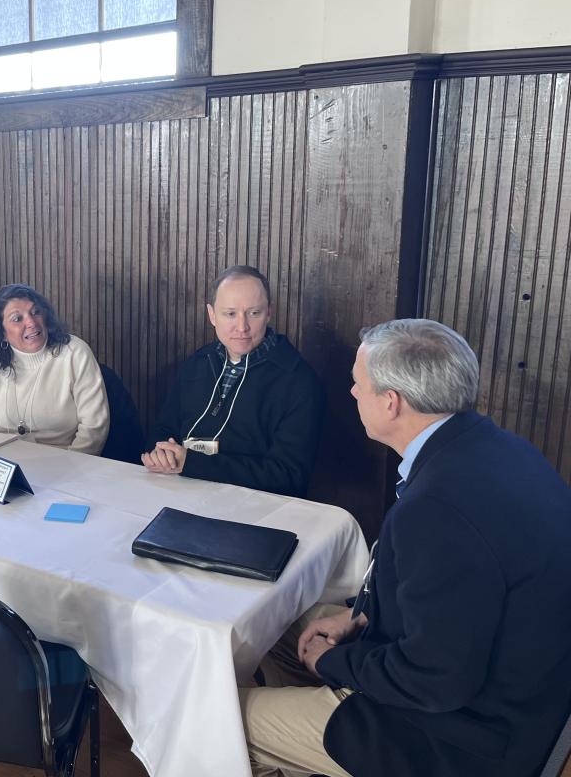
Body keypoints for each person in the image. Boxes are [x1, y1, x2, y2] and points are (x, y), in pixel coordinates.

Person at [240, 319, 571, 777]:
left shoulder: (438, 508)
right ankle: (309, 725)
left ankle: (306, 735)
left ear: (391, 403)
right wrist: (360, 615)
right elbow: (444, 597)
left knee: (222, 719)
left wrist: (338, 662)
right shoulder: (499, 447)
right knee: (278, 622)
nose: (353, 394)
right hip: (511, 691)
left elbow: (436, 678)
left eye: (358, 385)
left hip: (463, 737)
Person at [143, 265, 324, 497]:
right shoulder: (198, 362)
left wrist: (192, 463)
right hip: (179, 492)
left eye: (254, 313)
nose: (242, 327)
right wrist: (162, 453)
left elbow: (288, 475)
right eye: (230, 314)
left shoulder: (300, 382)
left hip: (256, 510)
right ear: (212, 315)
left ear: (269, 313)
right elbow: (162, 429)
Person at [0, 284, 109, 455]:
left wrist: (70, 469)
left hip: (67, 463)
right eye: (17, 319)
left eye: (35, 312)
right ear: (2, 332)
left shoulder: (75, 353)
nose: (31, 322)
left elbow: (93, 428)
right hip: (6, 466)